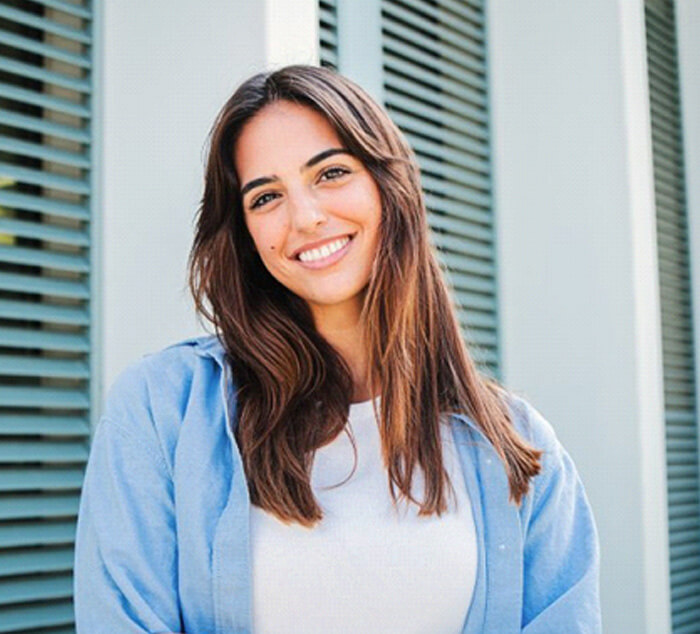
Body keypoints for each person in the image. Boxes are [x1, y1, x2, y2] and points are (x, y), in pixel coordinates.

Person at [73, 64, 602, 633]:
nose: (305, 217)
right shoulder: (161, 410)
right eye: (266, 196)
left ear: (387, 185)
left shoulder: (517, 446)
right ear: (246, 234)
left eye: (330, 173)